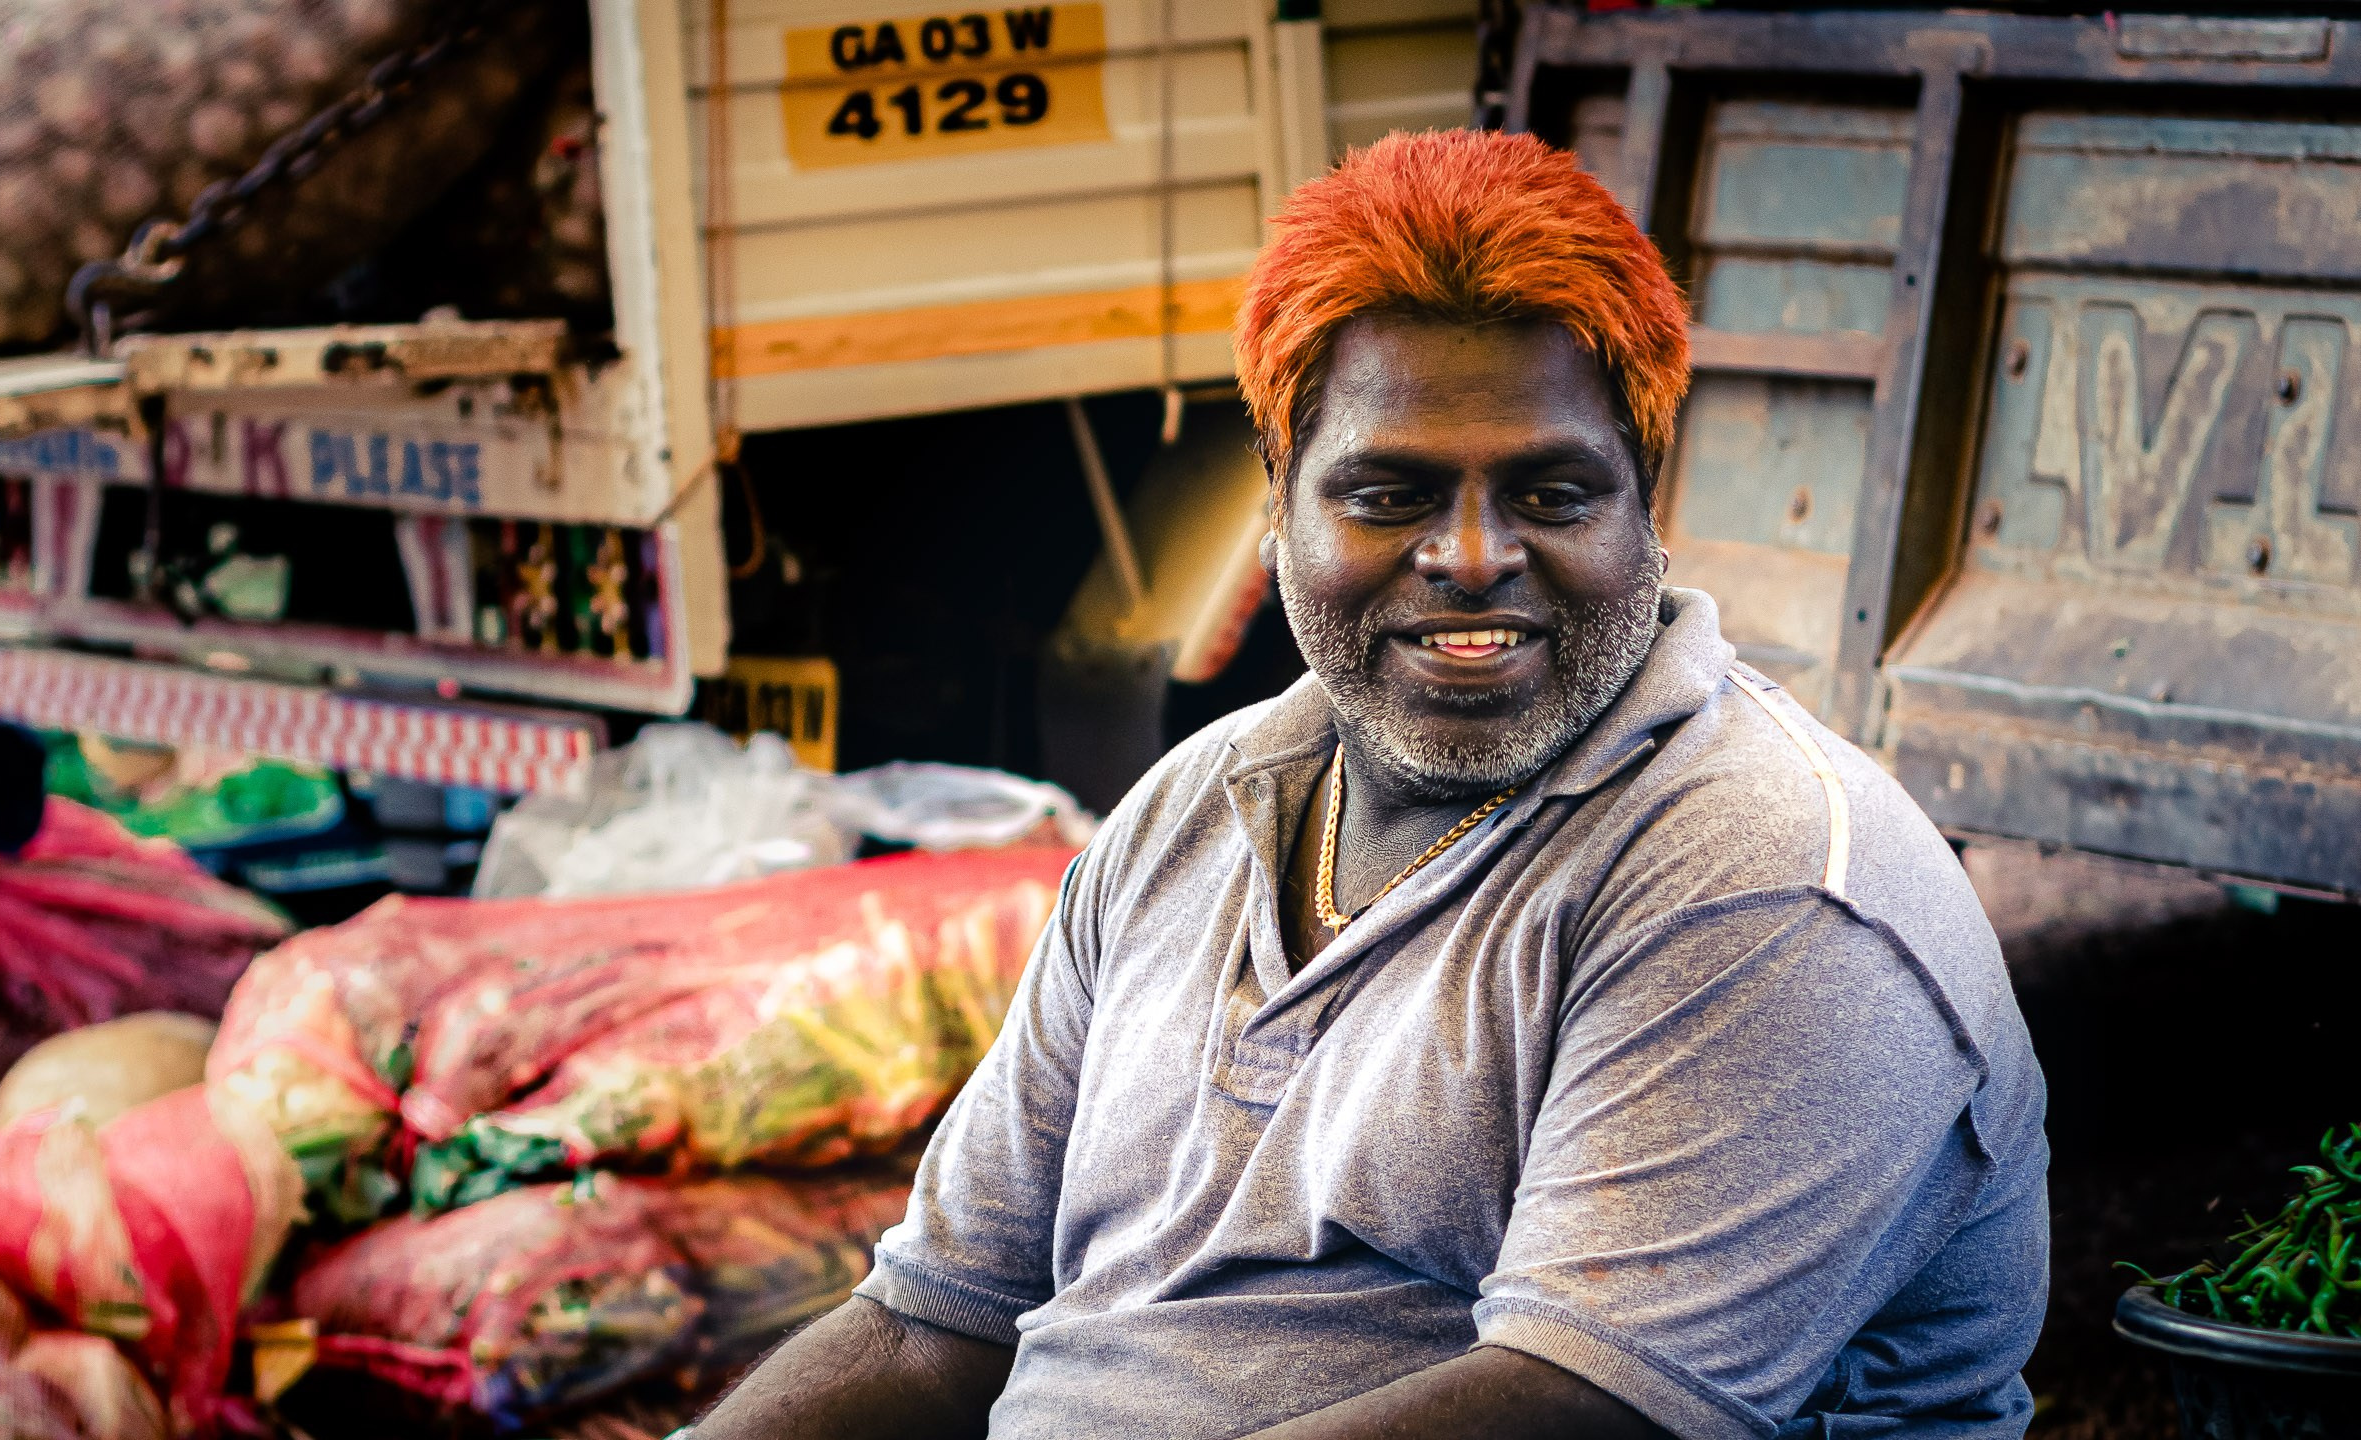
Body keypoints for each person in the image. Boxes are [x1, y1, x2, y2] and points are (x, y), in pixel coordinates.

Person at [694, 129, 2049, 1440]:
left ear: (1649, 497)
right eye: (1389, 493)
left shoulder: (1767, 873)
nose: (1470, 555)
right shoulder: (1192, 810)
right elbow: (933, 1322)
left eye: (1551, 494)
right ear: (1279, 500)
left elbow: (1578, 1405)